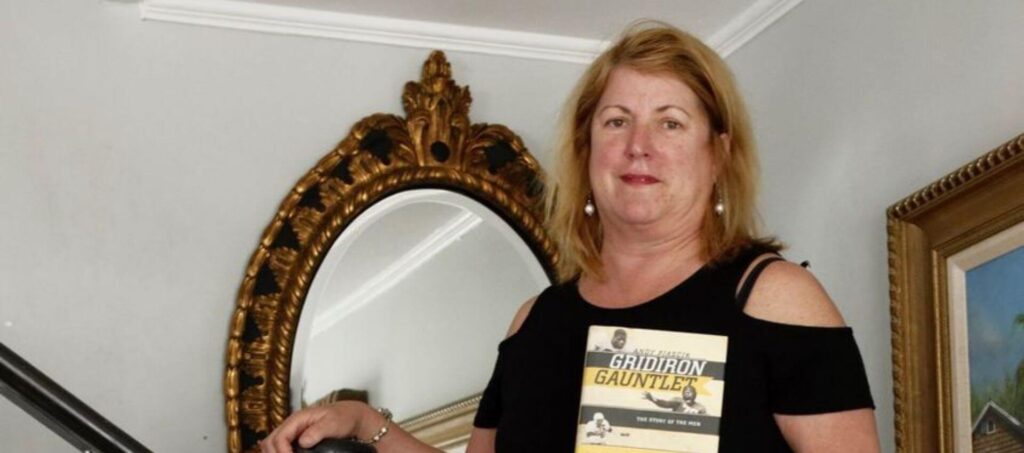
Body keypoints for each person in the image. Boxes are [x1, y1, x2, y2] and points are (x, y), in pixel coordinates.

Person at [260, 21, 880, 453]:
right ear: (586, 152)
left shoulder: (774, 298)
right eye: (616, 121)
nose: (639, 145)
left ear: (717, 154)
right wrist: (365, 422)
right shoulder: (534, 323)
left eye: (670, 122)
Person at [642, 384, 707, 415]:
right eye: (685, 391)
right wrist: (652, 398)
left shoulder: (700, 407)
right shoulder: (678, 401)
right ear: (683, 393)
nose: (687, 392)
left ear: (695, 393)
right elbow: (665, 404)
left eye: (690, 391)